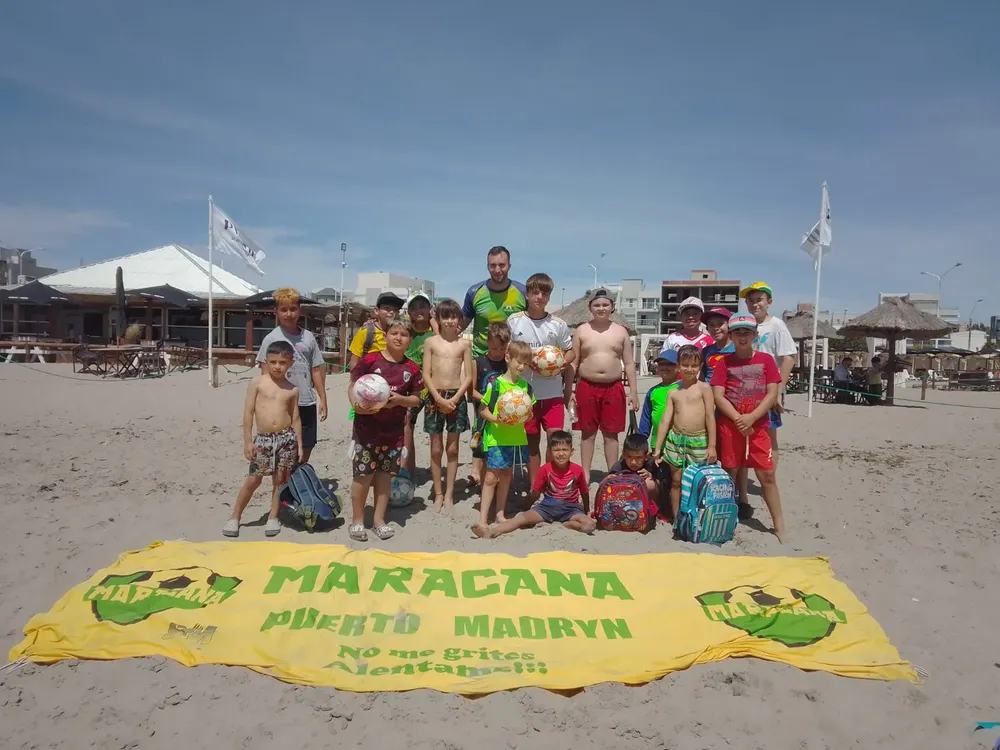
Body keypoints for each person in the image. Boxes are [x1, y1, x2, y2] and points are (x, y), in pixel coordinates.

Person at [711, 313, 786, 543]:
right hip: (730, 423)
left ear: (755, 335)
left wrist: (752, 417)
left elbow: (772, 392)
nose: (742, 337)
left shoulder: (765, 360)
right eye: (738, 333)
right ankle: (728, 518)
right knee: (730, 472)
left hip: (758, 424)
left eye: (747, 332)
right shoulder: (724, 363)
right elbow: (718, 395)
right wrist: (737, 418)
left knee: (767, 474)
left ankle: (779, 525)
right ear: (731, 336)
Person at [347, 320, 423, 542]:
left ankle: (379, 521)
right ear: (386, 336)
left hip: (393, 434)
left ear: (410, 340)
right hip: (366, 431)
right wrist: (356, 404)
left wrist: (400, 400)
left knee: (384, 478)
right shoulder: (371, 360)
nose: (398, 337)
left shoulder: (412, 368)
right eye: (394, 333)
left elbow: (416, 399)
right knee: (362, 476)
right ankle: (357, 521)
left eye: (403, 334)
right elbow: (352, 383)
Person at [224, 340, 303, 538]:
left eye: (282, 362)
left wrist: (300, 445)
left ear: (290, 363)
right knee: (253, 480)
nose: (277, 366)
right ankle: (235, 517)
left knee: (279, 480)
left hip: (286, 439)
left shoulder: (292, 389)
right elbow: (248, 413)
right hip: (263, 440)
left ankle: (273, 517)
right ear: (266, 361)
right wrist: (247, 441)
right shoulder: (257, 383)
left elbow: (296, 418)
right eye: (274, 361)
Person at [507, 272, 575, 488]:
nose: (539, 297)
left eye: (544, 293)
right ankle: (535, 486)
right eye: (535, 292)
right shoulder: (514, 321)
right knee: (532, 444)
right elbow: (508, 353)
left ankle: (552, 484)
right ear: (527, 294)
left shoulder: (558, 324)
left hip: (553, 392)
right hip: (525, 394)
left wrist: (561, 363)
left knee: (555, 441)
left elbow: (570, 352)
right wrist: (525, 362)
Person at [472, 430, 594, 538]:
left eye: (565, 450)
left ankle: (567, 524)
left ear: (571, 451)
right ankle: (492, 532)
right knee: (519, 519)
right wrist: (527, 506)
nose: (561, 454)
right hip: (547, 507)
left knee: (590, 525)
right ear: (550, 451)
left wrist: (587, 510)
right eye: (556, 450)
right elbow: (536, 493)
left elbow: (584, 492)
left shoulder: (577, 470)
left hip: (571, 509)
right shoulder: (545, 469)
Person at [570, 289, 639, 481]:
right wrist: (570, 391)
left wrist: (633, 391)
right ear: (590, 307)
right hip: (586, 386)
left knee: (611, 434)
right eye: (597, 305)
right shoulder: (582, 330)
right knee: (587, 433)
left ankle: (612, 472)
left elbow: (629, 363)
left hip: (613, 387)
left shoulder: (621, 331)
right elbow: (573, 363)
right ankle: (585, 472)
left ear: (612, 307)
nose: (601, 308)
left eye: (605, 305)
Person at [255, 287, 327, 465]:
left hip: (306, 401)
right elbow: (265, 375)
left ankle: (297, 480)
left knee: (308, 445)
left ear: (299, 310)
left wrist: (323, 397)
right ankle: (285, 488)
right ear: (276, 312)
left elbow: (316, 368)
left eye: (293, 309)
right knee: (285, 451)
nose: (289, 314)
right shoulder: (271, 339)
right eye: (284, 309)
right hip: (283, 403)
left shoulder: (308, 337)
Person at [420, 299, 474, 510]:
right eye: (446, 317)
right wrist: (439, 399)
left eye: (454, 317)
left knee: (452, 449)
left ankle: (450, 493)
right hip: (435, 397)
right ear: (439, 320)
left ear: (459, 319)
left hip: (456, 398)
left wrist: (454, 398)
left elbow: (468, 376)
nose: (450, 321)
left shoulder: (464, 344)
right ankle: (438, 493)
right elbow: (426, 374)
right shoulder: (431, 342)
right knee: (435, 449)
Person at [654, 345, 718, 521]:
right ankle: (676, 519)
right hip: (676, 440)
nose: (689, 369)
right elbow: (666, 420)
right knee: (676, 481)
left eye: (694, 365)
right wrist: (658, 447)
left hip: (698, 440)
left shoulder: (704, 388)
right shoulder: (673, 391)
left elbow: (710, 418)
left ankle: (698, 518)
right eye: (685, 365)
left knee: (698, 481)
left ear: (700, 366)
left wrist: (712, 446)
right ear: (678, 365)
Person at [476, 340, 535, 528]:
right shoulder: (497, 385)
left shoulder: (526, 387)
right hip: (495, 438)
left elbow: (529, 413)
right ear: (508, 358)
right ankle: (482, 519)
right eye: (518, 361)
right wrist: (497, 420)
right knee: (491, 477)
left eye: (525, 363)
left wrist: (525, 415)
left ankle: (500, 514)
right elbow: (482, 409)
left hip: (516, 439)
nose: (521, 366)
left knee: (507, 476)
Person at [740, 281, 796, 471]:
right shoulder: (745, 326)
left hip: (768, 390)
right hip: (746, 390)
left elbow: (788, 359)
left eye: (759, 300)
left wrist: (779, 391)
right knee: (745, 435)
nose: (755, 304)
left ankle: (769, 480)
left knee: (769, 437)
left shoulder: (776, 325)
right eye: (751, 301)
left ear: (769, 301)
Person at [461, 246, 527, 357]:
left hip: (512, 359)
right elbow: (459, 326)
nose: (497, 270)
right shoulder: (474, 292)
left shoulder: (523, 292)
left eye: (502, 265)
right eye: (493, 265)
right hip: (480, 358)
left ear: (509, 266)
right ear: (487, 267)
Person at [468, 321, 511, 489]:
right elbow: (471, 391)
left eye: (502, 348)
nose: (498, 352)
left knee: (497, 445)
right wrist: (488, 401)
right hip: (482, 410)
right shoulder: (478, 362)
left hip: (502, 412)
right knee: (478, 442)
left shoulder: (507, 363)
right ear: (488, 342)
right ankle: (477, 473)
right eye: (494, 348)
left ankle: (494, 479)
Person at [402, 292, 435, 476]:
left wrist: (435, 323)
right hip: (410, 387)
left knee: (434, 432)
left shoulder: (434, 332)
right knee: (407, 423)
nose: (418, 310)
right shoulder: (405, 332)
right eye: (413, 308)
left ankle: (434, 470)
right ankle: (408, 469)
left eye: (422, 306)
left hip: (431, 387)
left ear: (430, 309)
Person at [347, 291, 406, 368]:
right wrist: (354, 379)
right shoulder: (366, 331)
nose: (391, 312)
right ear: (376, 310)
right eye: (387, 308)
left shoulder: (402, 333)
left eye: (395, 309)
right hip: (369, 377)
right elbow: (355, 360)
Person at [608, 433, 661, 516]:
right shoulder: (619, 465)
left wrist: (650, 475)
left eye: (638, 458)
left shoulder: (650, 464)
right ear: (624, 454)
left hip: (644, 497)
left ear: (646, 456)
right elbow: (609, 481)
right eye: (629, 457)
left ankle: (650, 509)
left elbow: (659, 482)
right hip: (625, 499)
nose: (633, 462)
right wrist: (613, 478)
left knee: (650, 483)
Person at [637, 349, 679, 450]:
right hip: (658, 445)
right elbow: (646, 419)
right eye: (661, 364)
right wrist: (641, 440)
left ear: (679, 367)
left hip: (679, 446)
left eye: (670, 364)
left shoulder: (684, 388)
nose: (665, 367)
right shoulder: (653, 391)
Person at [702, 307, 736, 383]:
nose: (716, 328)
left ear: (729, 325)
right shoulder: (706, 351)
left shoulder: (738, 349)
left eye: (720, 324)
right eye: (711, 325)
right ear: (707, 329)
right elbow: (702, 376)